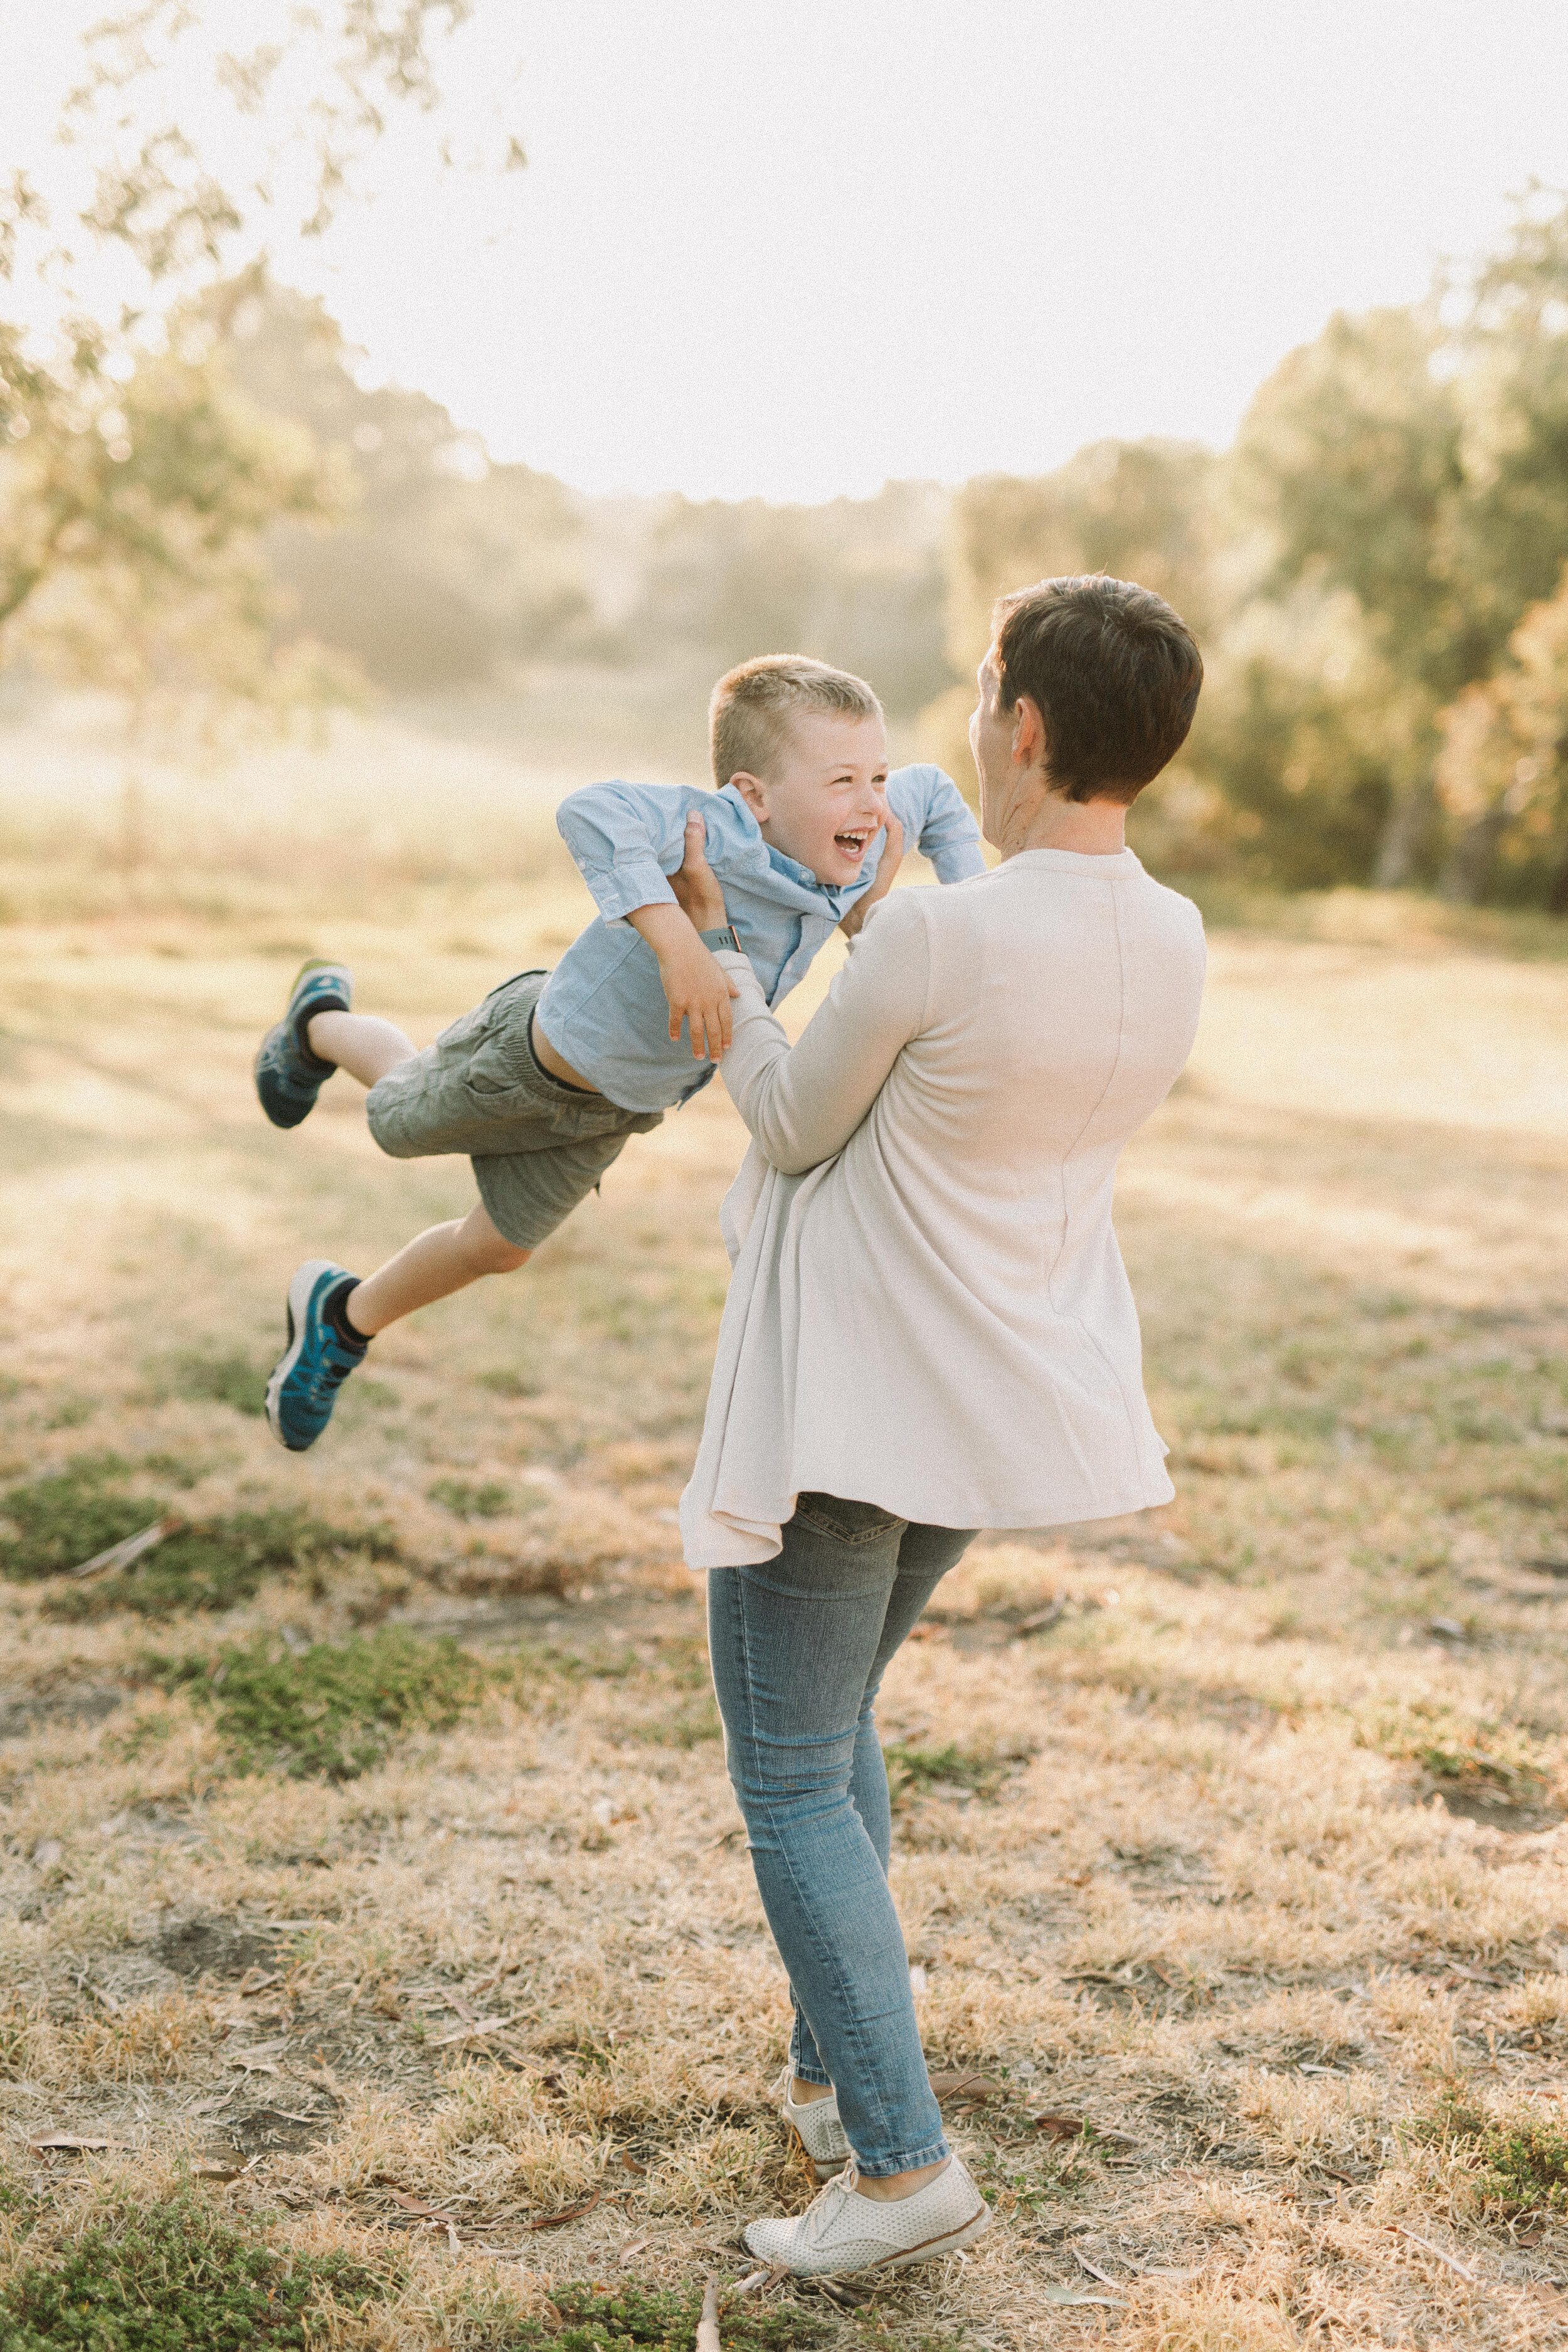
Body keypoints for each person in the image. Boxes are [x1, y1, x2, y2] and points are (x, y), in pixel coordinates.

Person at [668, 576, 1209, 2277]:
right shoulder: (1171, 933)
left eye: (982, 697)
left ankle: (902, 2170)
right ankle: (840, 2083)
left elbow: (782, 1116)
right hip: (990, 1404)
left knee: (785, 1772)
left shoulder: (934, 932)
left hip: (854, 1412)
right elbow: (959, 1076)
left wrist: (709, 957)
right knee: (828, 1742)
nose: (969, 727)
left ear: (1024, 727)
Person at [253, 655, 984, 1451]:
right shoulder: (713, 827)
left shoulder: (870, 826)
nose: (874, 805)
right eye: (844, 781)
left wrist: (967, 910)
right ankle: (319, 1019)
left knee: (499, 1247)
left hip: (622, 1106)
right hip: (534, 1058)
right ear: (754, 795)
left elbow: (939, 797)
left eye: (877, 776)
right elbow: (591, 811)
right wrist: (677, 944)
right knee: (393, 1116)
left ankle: (341, 1318)